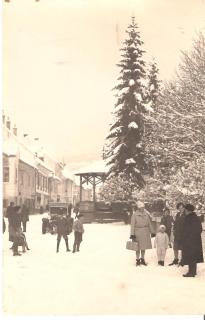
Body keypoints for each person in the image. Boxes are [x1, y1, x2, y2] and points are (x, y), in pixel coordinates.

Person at [181, 204, 204, 277]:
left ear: (188, 210)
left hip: (191, 241)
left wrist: (189, 237)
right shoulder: (193, 217)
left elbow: (197, 229)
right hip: (192, 240)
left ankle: (191, 272)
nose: (184, 211)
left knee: (191, 256)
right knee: (192, 256)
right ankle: (192, 271)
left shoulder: (191, 218)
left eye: (185, 209)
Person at [130, 201, 155, 266]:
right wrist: (132, 234)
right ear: (138, 208)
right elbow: (132, 225)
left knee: (144, 247)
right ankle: (137, 260)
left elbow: (149, 223)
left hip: (145, 232)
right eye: (141, 207)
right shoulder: (134, 215)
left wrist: (152, 232)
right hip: (137, 232)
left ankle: (142, 259)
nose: (143, 208)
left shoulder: (146, 214)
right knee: (137, 247)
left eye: (143, 207)